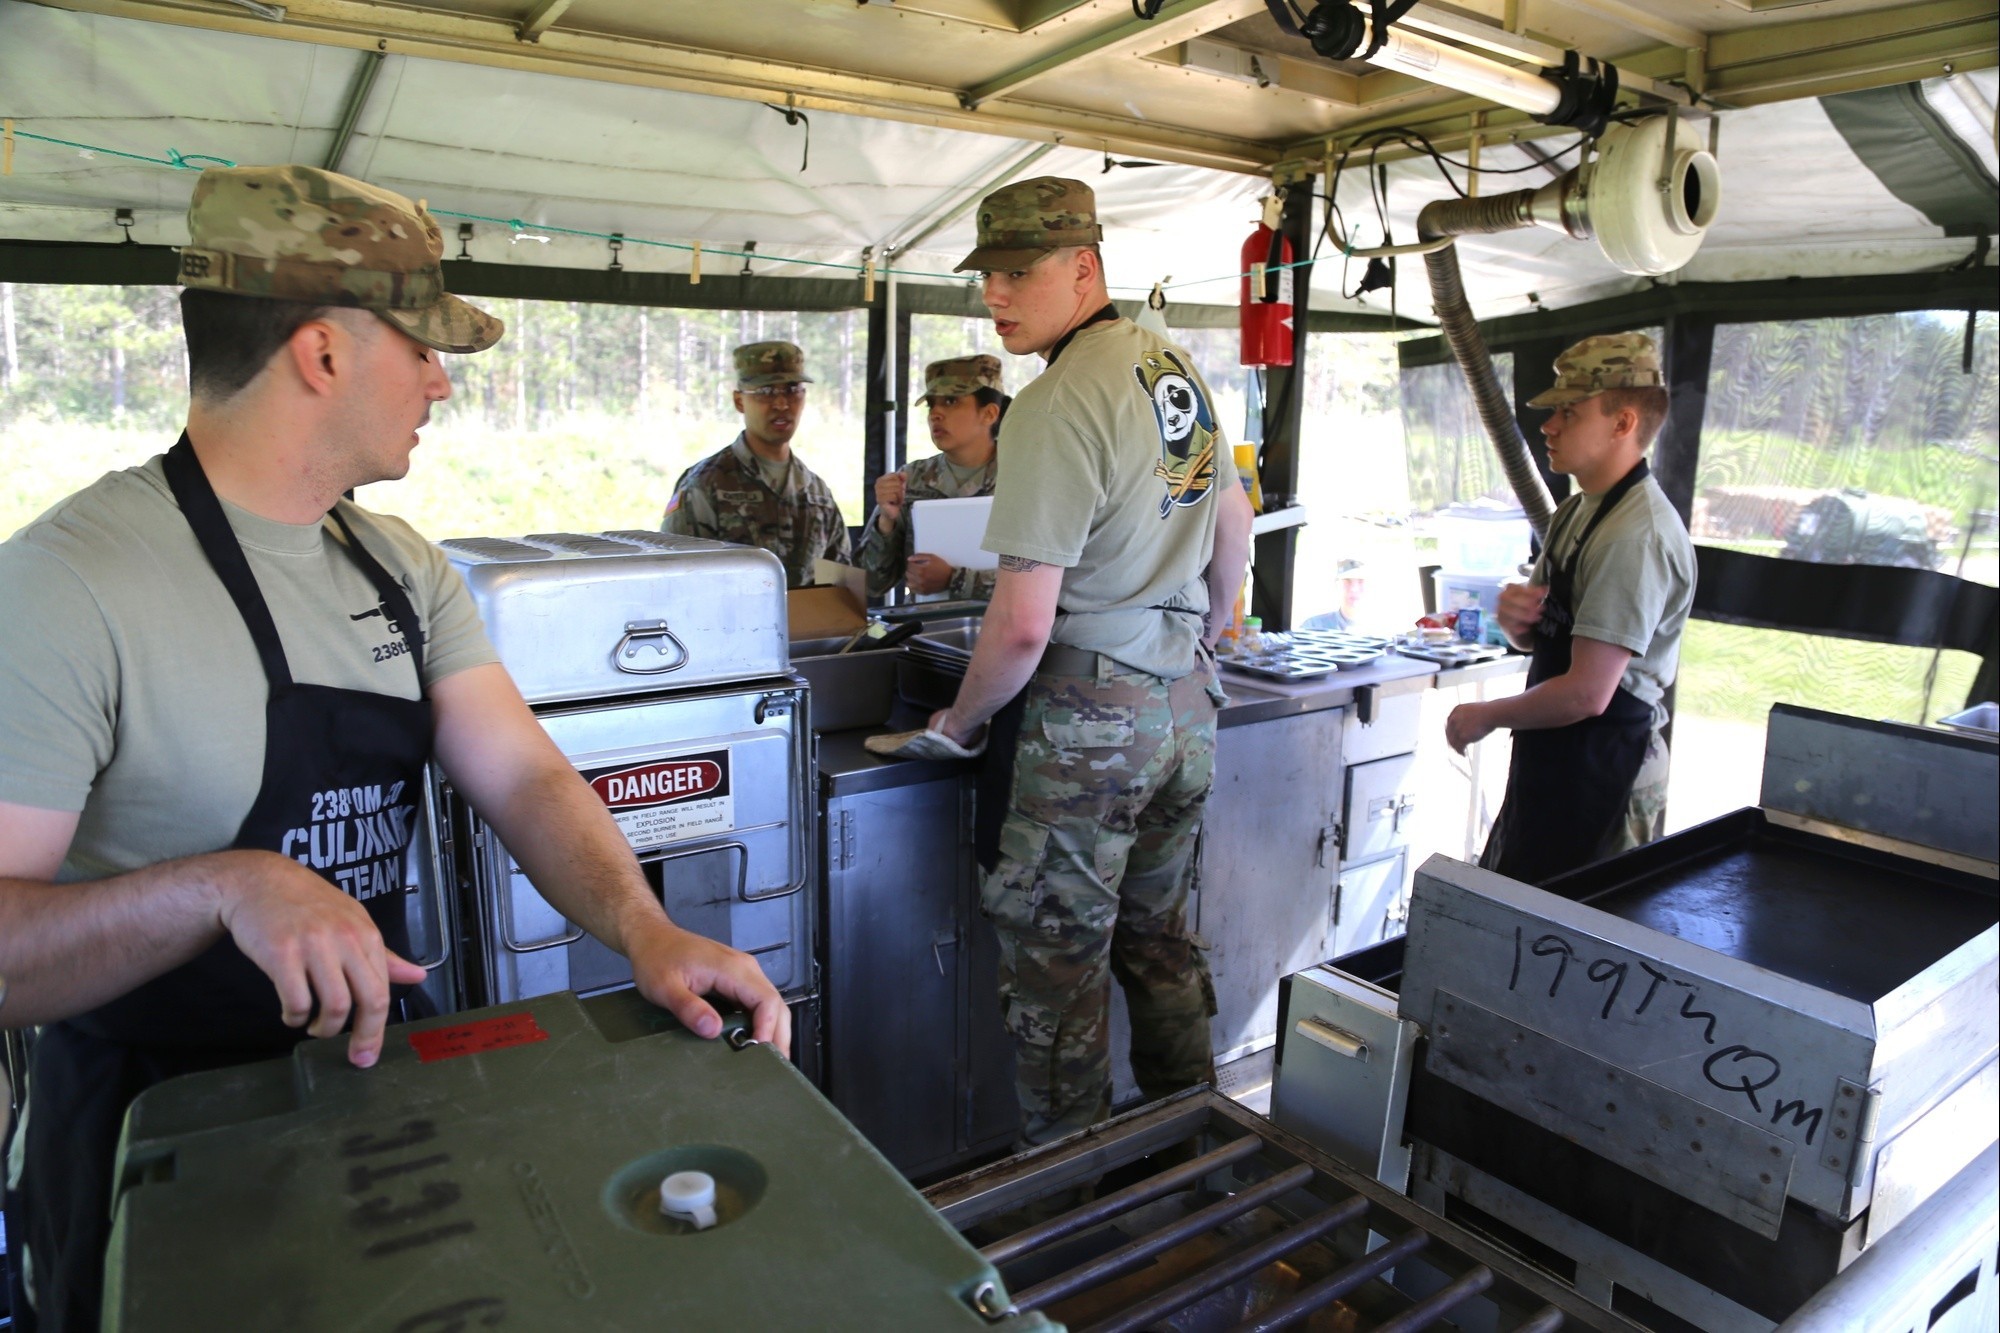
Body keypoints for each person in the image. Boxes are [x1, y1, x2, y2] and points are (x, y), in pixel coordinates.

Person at [0, 165, 789, 1331]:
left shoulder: (398, 564)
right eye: (420, 348)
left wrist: (643, 926)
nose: (440, 383)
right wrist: (228, 887)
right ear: (321, 354)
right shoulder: (68, 584)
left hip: (370, 1115)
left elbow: (520, 773)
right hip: (154, 1149)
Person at [925, 177, 1256, 1147]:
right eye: (986, 273)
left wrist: (959, 723)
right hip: (1182, 710)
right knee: (1157, 949)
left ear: (1082, 267)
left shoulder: (1053, 402)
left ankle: (1075, 1217)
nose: (994, 293)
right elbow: (1231, 521)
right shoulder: (1170, 366)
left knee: (1056, 982)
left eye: (1016, 271)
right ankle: (1189, 1162)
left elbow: (1021, 624)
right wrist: (1207, 632)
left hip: (1085, 729)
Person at [1445, 332, 1697, 885]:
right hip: (1557, 760)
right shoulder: (1576, 511)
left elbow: (1588, 693)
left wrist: (1486, 715)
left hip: (1606, 769)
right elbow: (1545, 638)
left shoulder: (1635, 537)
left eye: (1568, 412)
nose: (1548, 426)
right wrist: (1519, 624)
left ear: (1622, 423)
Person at [661, 341, 851, 587]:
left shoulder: (817, 494)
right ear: (739, 401)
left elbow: (840, 590)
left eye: (792, 389)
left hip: (808, 625)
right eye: (766, 392)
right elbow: (678, 582)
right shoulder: (705, 485)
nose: (782, 404)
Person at [854, 354, 1009, 602]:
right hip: (924, 634)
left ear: (989, 413)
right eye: (931, 404)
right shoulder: (911, 479)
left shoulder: (1024, 479)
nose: (935, 413)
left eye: (950, 401)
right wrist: (886, 521)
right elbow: (870, 585)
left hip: (1001, 632)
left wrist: (955, 579)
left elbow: (1048, 578)